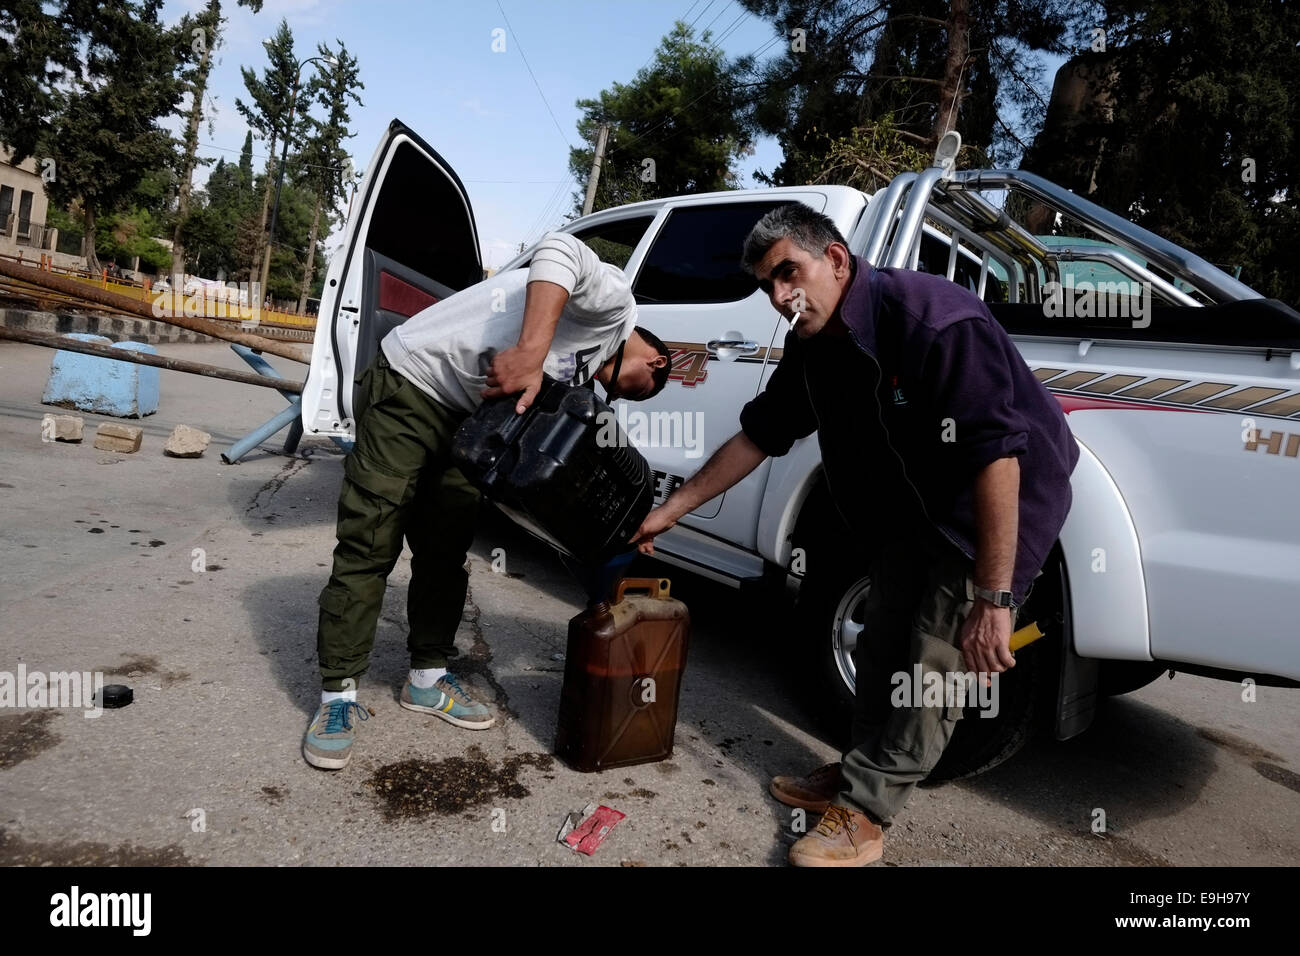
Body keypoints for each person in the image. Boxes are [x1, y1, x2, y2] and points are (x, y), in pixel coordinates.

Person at [631, 204, 1079, 866]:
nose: (781, 297)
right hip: (905, 511)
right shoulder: (813, 347)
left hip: (983, 503)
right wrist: (675, 508)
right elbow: (762, 432)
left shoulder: (934, 319)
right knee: (880, 646)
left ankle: (866, 815)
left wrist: (995, 597)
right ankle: (858, 771)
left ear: (835, 260)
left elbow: (997, 456)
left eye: (790, 273)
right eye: (767, 285)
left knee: (934, 663)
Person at [305, 232, 672, 770]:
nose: (613, 394)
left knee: (445, 549)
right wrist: (530, 352)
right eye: (632, 388)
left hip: (470, 426)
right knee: (371, 539)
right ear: (657, 360)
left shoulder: (581, 381)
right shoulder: (614, 306)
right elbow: (559, 249)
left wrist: (629, 525)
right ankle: (337, 697)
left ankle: (427, 678)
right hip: (410, 383)